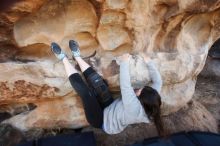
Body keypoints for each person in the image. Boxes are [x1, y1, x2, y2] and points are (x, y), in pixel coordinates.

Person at [51, 40, 164, 136]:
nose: (139, 89)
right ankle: (77, 56)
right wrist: (148, 61)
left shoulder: (133, 108)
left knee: (87, 93)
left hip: (102, 121)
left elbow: (125, 85)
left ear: (141, 99)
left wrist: (125, 62)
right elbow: (158, 81)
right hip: (110, 108)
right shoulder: (153, 98)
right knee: (99, 83)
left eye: (140, 91)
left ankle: (63, 58)